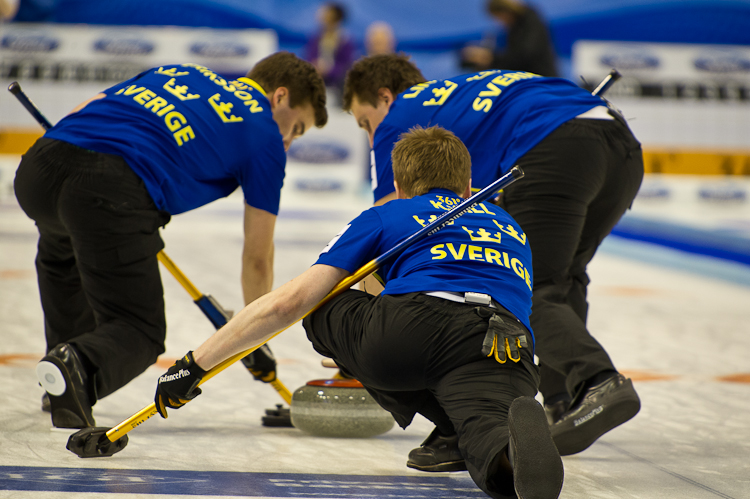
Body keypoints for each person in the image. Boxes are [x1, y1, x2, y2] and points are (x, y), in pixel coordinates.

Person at [154, 126, 564, 499]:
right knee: (487, 431)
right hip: (505, 342)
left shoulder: (391, 214)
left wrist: (195, 365)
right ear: (469, 184)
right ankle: (507, 454)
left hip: (411, 331)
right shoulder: (509, 226)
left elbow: (290, 301)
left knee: (325, 302)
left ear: (400, 186)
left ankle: (403, 389)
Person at [342, 54, 643, 459]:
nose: (369, 133)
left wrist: (374, 335)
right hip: (620, 148)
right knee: (563, 277)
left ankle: (597, 382)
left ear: (383, 96)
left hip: (553, 144)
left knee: (527, 285)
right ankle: (561, 401)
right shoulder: (459, 100)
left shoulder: (400, 118)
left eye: (365, 122)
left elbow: (390, 236)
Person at [14, 52, 327, 429]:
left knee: (64, 260)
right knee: (139, 330)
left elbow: (88, 107)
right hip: (108, 187)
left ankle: (61, 385)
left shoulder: (178, 72)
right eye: (297, 126)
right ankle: (77, 364)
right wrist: (255, 338)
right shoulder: (264, 137)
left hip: (40, 167)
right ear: (279, 97)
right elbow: (257, 258)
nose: (290, 140)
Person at [461, 0, 558, 77]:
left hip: (542, 79)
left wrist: (489, 58)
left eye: (499, 17)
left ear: (504, 11)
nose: (500, 22)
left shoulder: (530, 21)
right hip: (530, 80)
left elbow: (524, 55)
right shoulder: (513, 27)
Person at [304, 2, 356, 100]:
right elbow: (308, 58)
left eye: (326, 15)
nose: (322, 17)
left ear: (335, 18)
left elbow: (346, 67)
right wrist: (314, 67)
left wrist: (329, 70)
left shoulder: (345, 41)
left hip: (336, 88)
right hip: (312, 85)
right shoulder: (316, 38)